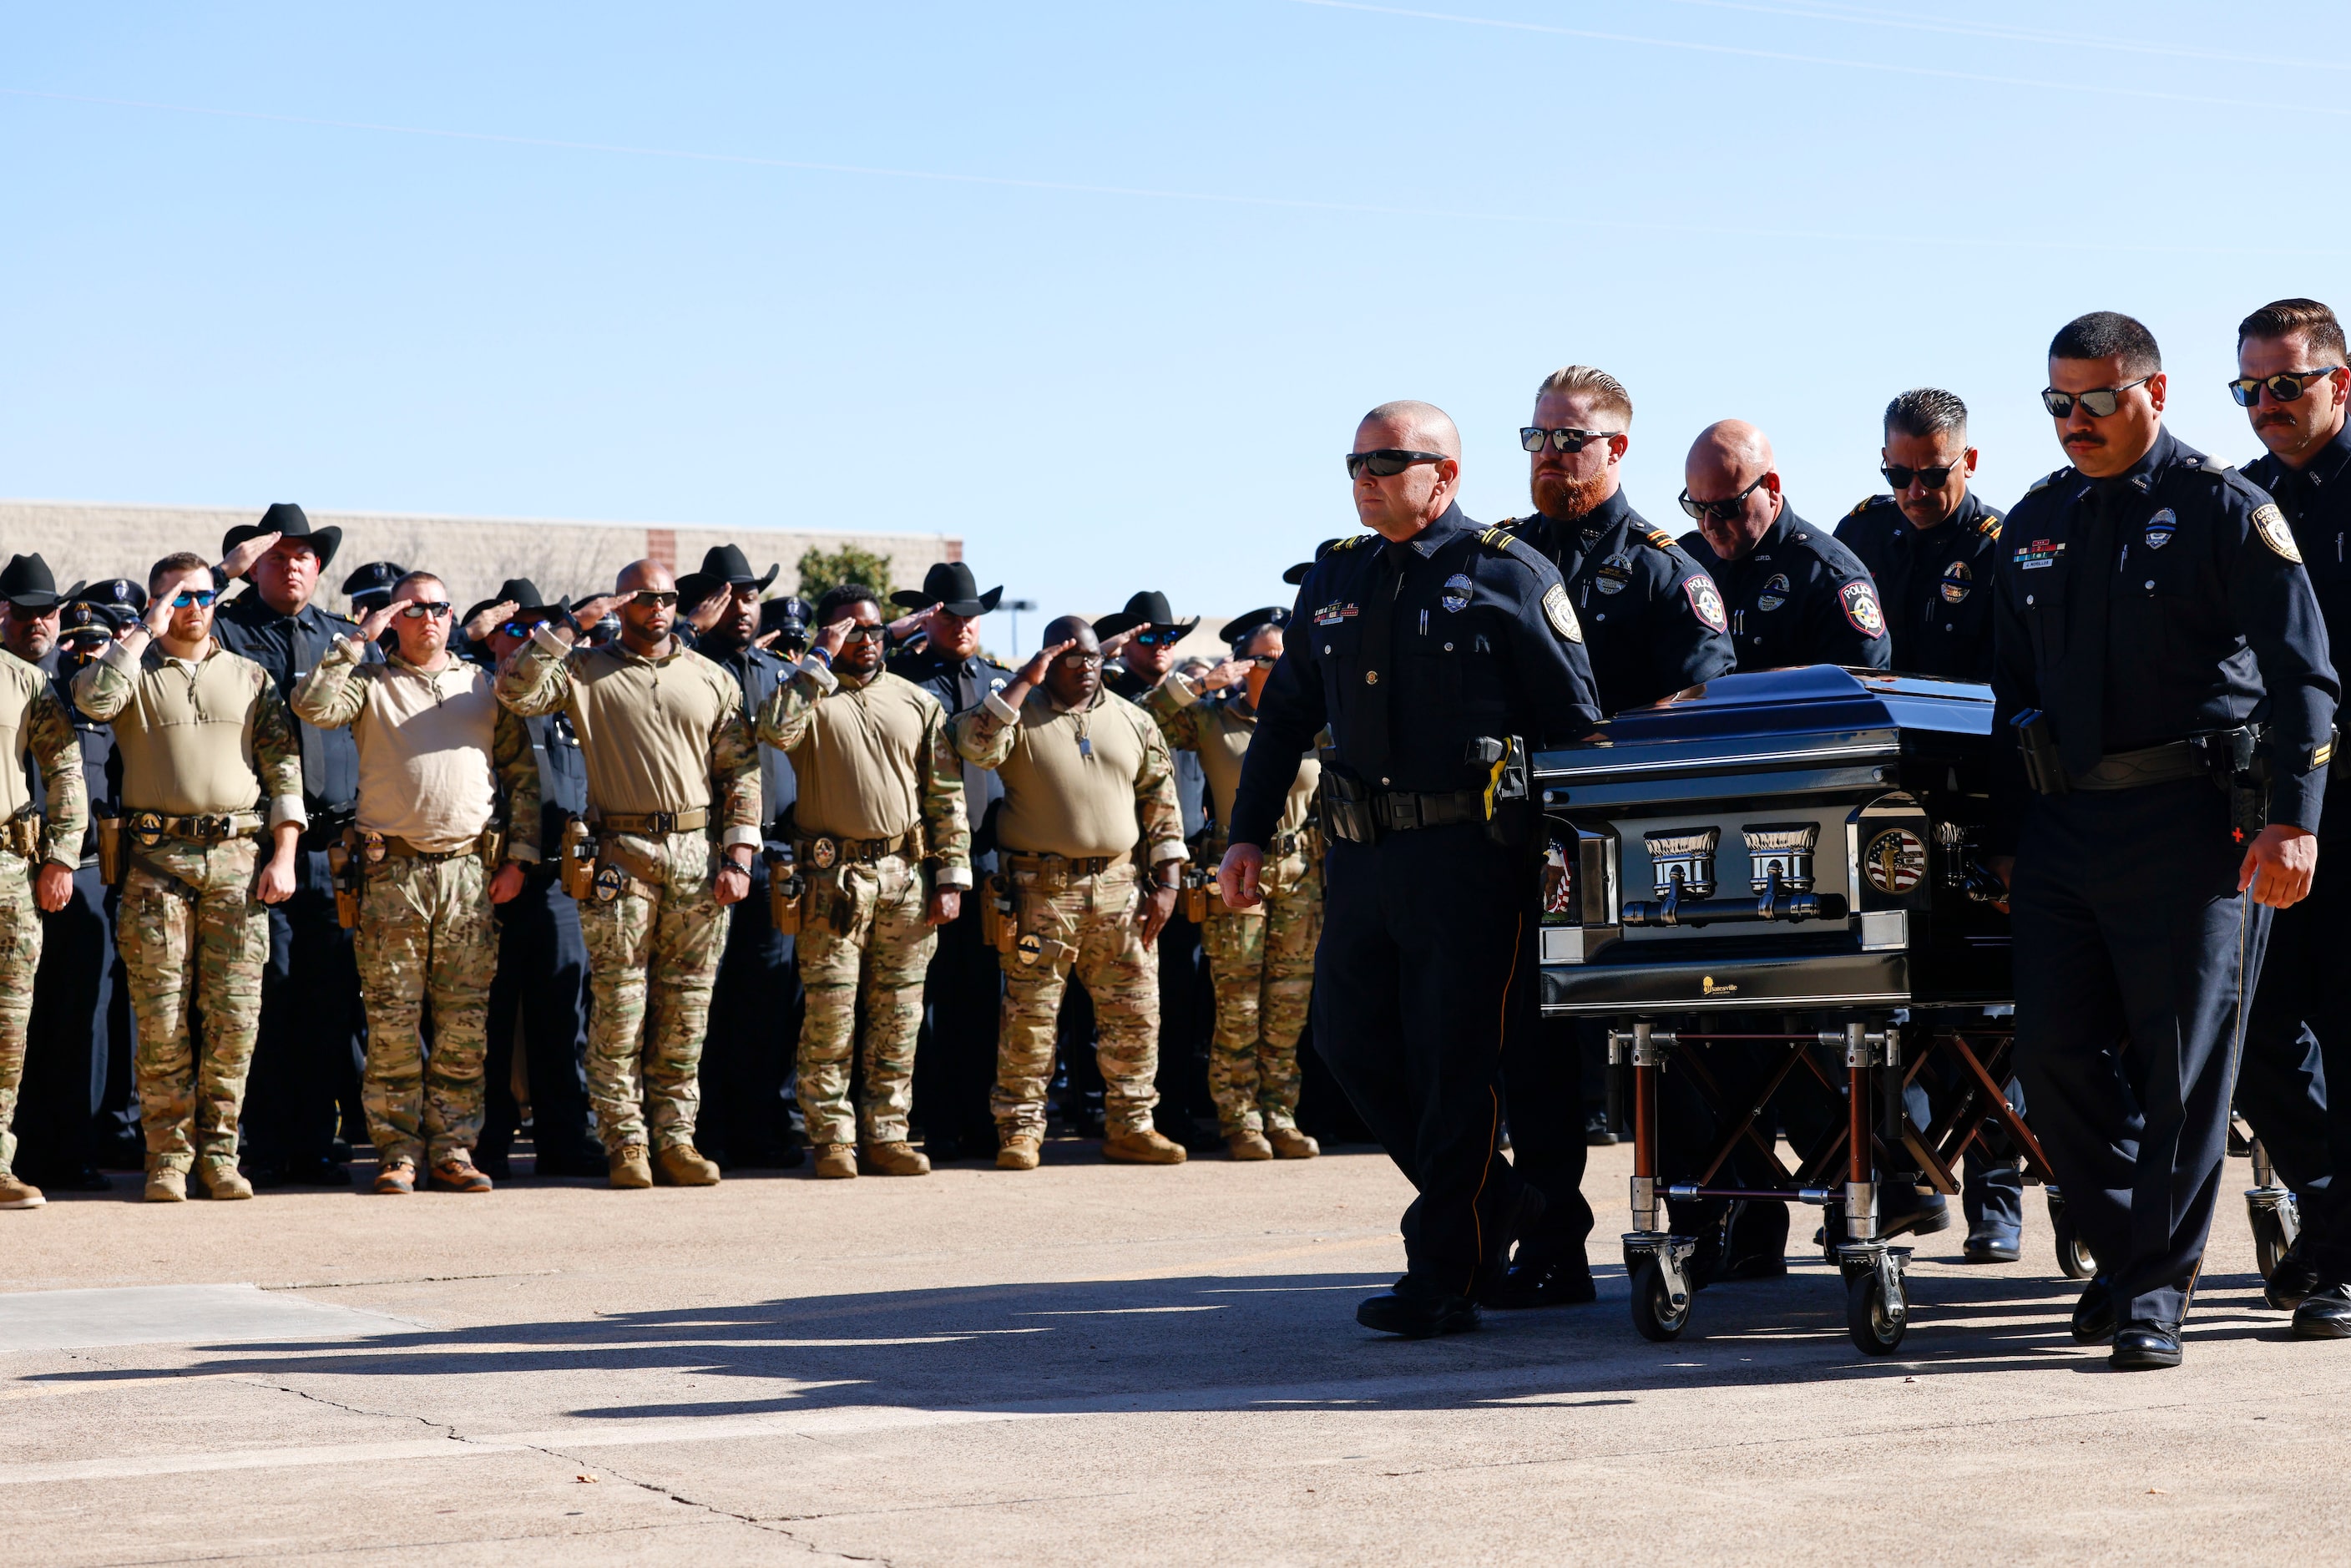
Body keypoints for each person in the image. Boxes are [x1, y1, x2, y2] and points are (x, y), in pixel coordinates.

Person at [1990, 310, 2336, 1370]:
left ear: (2153, 392)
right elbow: (2008, 691)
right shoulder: (2034, 521)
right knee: (2049, 1057)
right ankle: (2127, 1250)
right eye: (2057, 402)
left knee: (2183, 1071)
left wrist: (2291, 821)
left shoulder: (2223, 509)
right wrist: (2009, 838)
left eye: (2096, 400)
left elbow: (2303, 678)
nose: (2073, 422)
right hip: (2060, 827)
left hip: (2193, 827)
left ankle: (2152, 1291)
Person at [1222, 399, 1603, 1338]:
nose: (1365, 477)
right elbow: (1282, 722)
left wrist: (1568, 867)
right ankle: (1494, 1202)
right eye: (1355, 462)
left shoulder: (1508, 574)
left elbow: (1578, 726)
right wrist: (1244, 835)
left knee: (1451, 1067)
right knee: (1346, 1044)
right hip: (1359, 857)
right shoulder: (1335, 578)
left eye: (1387, 461)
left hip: (1471, 864)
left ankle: (1445, 1272)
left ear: (1445, 474)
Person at [1499, 366, 1736, 1304]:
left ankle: (1696, 1223)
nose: (1549, 455)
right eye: (1537, 438)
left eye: (1568, 438)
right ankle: (1551, 1247)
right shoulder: (1503, 559)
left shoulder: (1661, 570)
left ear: (1614, 449)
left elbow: (1703, 703)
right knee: (1534, 1057)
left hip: (1635, 854)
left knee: (1660, 1050)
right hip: (1525, 849)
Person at [1828, 387, 2026, 1262]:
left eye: (1929, 475)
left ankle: (1994, 1194)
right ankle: (1900, 1184)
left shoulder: (2000, 546)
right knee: (1880, 1003)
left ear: (1967, 462)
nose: (1911, 492)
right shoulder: (1861, 534)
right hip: (1882, 808)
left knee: (1985, 1013)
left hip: (1975, 800)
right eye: (1896, 473)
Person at [493, 559, 761, 1190]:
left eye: (668, 598)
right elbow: (515, 690)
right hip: (620, 855)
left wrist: (740, 855)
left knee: (687, 1010)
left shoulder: (710, 678)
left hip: (697, 854)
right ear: (623, 603)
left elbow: (742, 772)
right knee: (619, 1008)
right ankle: (626, 1143)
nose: (659, 608)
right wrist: (571, 626)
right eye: (644, 598)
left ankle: (676, 1140)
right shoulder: (584, 670)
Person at [294, 570, 539, 1195]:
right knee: (393, 1019)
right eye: (414, 609)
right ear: (396, 618)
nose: (428, 618)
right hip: (391, 872)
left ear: (452, 617)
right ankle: (397, 1151)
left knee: (464, 1024)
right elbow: (315, 707)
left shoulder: (482, 685)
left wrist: (518, 859)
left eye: (439, 608)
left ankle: (455, 1149)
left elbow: (521, 777)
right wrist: (358, 640)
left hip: (468, 872)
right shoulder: (370, 685)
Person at [74, 553, 303, 1202]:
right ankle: (168, 1158)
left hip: (237, 859)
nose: (193, 607)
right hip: (156, 864)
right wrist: (141, 633)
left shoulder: (250, 676)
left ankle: (221, 1155)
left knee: (235, 1016)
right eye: (177, 597)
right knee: (161, 1016)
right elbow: (92, 702)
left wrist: (283, 855)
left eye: (202, 595)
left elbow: (284, 768)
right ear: (156, 604)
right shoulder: (132, 672)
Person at [953, 615, 1191, 1170]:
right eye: (1069, 659)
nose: (1084, 669)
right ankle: (1019, 1129)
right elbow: (973, 745)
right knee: (1030, 1016)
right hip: (1041, 892)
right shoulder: (1017, 714)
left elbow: (1162, 803)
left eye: (1090, 658)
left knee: (1134, 1013)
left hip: (1120, 886)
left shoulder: (1134, 719)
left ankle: (1132, 1125)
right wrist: (1023, 681)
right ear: (1046, 661)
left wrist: (1169, 881)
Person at [758, 583, 970, 1178]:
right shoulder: (806, 693)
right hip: (832, 881)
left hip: (906, 875)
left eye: (874, 630)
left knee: (899, 1016)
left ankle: (887, 1134)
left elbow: (945, 796)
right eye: (852, 631)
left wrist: (950, 875)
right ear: (831, 634)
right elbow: (774, 731)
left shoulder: (916, 701)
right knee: (830, 1015)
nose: (867, 640)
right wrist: (818, 660)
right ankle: (830, 1138)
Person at [2232, 297, 2351, 1337]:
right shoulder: (2243, 503)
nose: (2265, 405)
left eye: (2285, 385)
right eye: (2250, 389)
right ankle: (2331, 1217)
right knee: (2259, 1030)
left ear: (2337, 382)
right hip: (2273, 812)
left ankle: (2334, 1258)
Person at [210, 503, 367, 1188]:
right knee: (263, 995)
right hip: (256, 847)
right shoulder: (224, 628)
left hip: (333, 850)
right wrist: (224, 576)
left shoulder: (343, 638)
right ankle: (266, 1140)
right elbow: (163, 623)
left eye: (304, 555)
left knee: (327, 995)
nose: (293, 565)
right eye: (277, 555)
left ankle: (314, 1138)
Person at [1140, 607, 1322, 1160]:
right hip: (1235, 871)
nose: (1281, 666)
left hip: (1300, 875)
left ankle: (1280, 1113)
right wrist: (1201, 683)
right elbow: (1146, 721)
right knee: (1238, 1003)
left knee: (1289, 1004)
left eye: (1287, 657)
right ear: (1246, 665)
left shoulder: (1316, 721)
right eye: (1268, 659)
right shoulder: (1213, 720)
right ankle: (1240, 1118)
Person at [460, 581, 599, 1177]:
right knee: (485, 1021)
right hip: (490, 879)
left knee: (561, 1017)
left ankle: (565, 1139)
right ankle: (486, 1142)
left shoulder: (568, 697)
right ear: (490, 636)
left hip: (559, 881)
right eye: (515, 630)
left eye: (538, 631)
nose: (527, 642)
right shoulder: (471, 689)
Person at [888, 562, 1014, 1161]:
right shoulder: (902, 677)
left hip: (989, 860)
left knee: (983, 996)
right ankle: (934, 1121)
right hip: (926, 858)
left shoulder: (999, 680)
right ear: (929, 616)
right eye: (951, 615)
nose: (965, 626)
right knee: (930, 999)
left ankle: (980, 1119)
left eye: (972, 617)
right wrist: (894, 634)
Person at [688, 545, 805, 1170]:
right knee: (702, 998)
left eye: (751, 595)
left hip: (772, 858)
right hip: (699, 855)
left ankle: (763, 1124)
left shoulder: (772, 671)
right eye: (729, 595)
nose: (743, 607)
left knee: (768, 997)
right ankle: (702, 1130)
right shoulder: (683, 664)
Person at [1097, 590, 1216, 1151]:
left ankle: (1182, 1107)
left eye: (1170, 637)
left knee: (1187, 995)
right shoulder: (1112, 697)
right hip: (1128, 870)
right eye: (1151, 637)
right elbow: (1142, 710)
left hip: (1184, 863)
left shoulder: (1193, 705)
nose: (1164, 646)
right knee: (1137, 1003)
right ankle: (1134, 1114)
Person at [0, 580, 89, 1211]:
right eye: (19, 610)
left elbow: (66, 771)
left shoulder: (27, 682)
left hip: (9, 867)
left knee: (8, 1027)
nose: (33, 621)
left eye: (42, 612)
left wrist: (59, 856)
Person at [1680, 422, 1892, 671]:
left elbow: (1856, 697)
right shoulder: (1687, 562)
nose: (1709, 524)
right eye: (1696, 507)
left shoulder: (1828, 579)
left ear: (1771, 487)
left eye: (1724, 508)